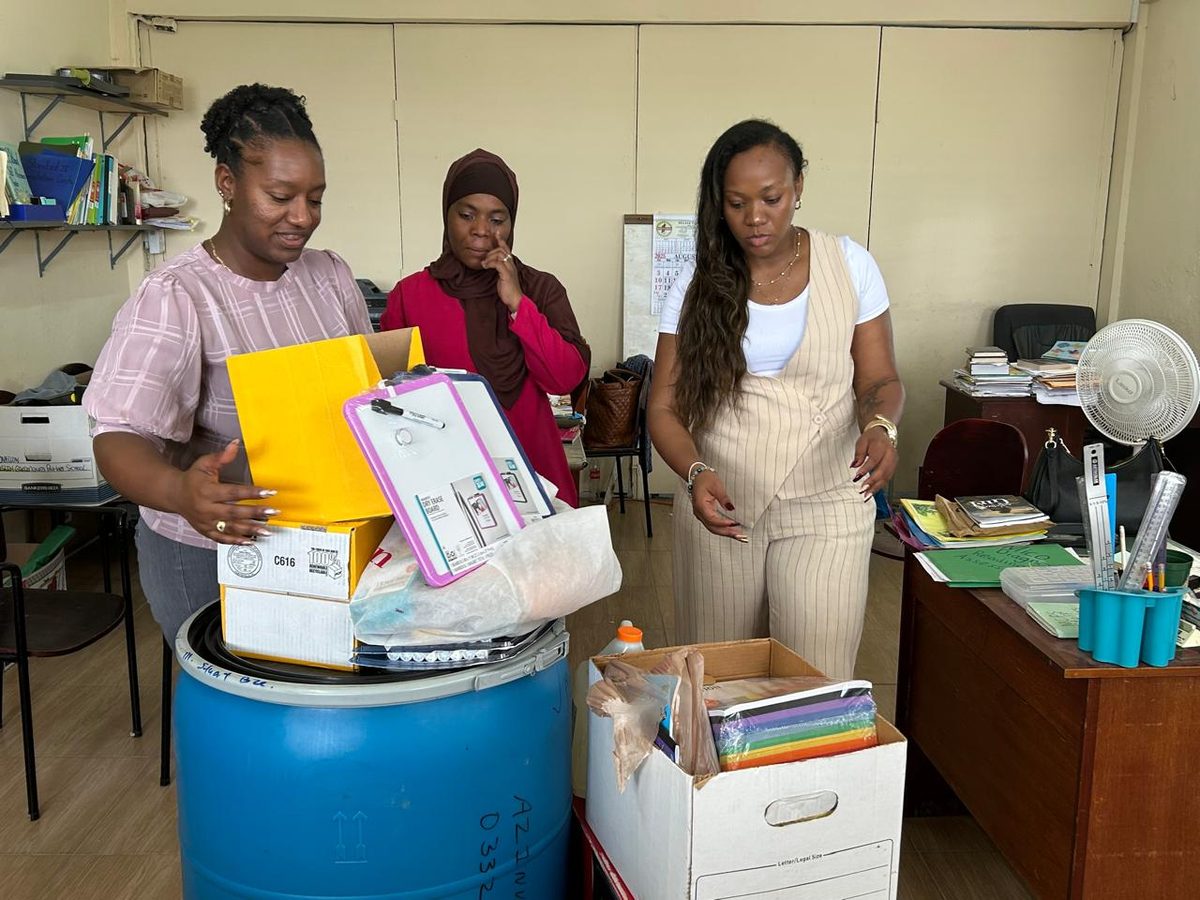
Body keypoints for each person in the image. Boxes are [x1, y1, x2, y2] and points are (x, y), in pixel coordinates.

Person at [85, 84, 373, 641]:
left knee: (316, 689)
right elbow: (116, 435)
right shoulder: (178, 296)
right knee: (240, 703)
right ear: (227, 183)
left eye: (314, 198)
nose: (302, 217)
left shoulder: (330, 276)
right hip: (210, 549)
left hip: (320, 535)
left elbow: (366, 389)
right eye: (280, 196)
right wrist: (180, 493)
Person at [648, 119, 905, 679]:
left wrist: (881, 425)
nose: (755, 218)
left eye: (771, 198)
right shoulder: (696, 280)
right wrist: (693, 473)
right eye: (737, 203)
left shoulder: (849, 266)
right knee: (718, 682)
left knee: (815, 678)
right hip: (721, 502)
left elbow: (879, 379)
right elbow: (663, 408)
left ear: (799, 187)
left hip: (830, 499)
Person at [380, 149, 589, 506]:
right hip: (444, 480)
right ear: (446, 216)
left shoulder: (540, 288)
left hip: (533, 470)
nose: (480, 231)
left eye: (497, 219)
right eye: (466, 215)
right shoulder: (409, 296)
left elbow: (564, 378)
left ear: (511, 224)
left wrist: (518, 304)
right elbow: (388, 401)